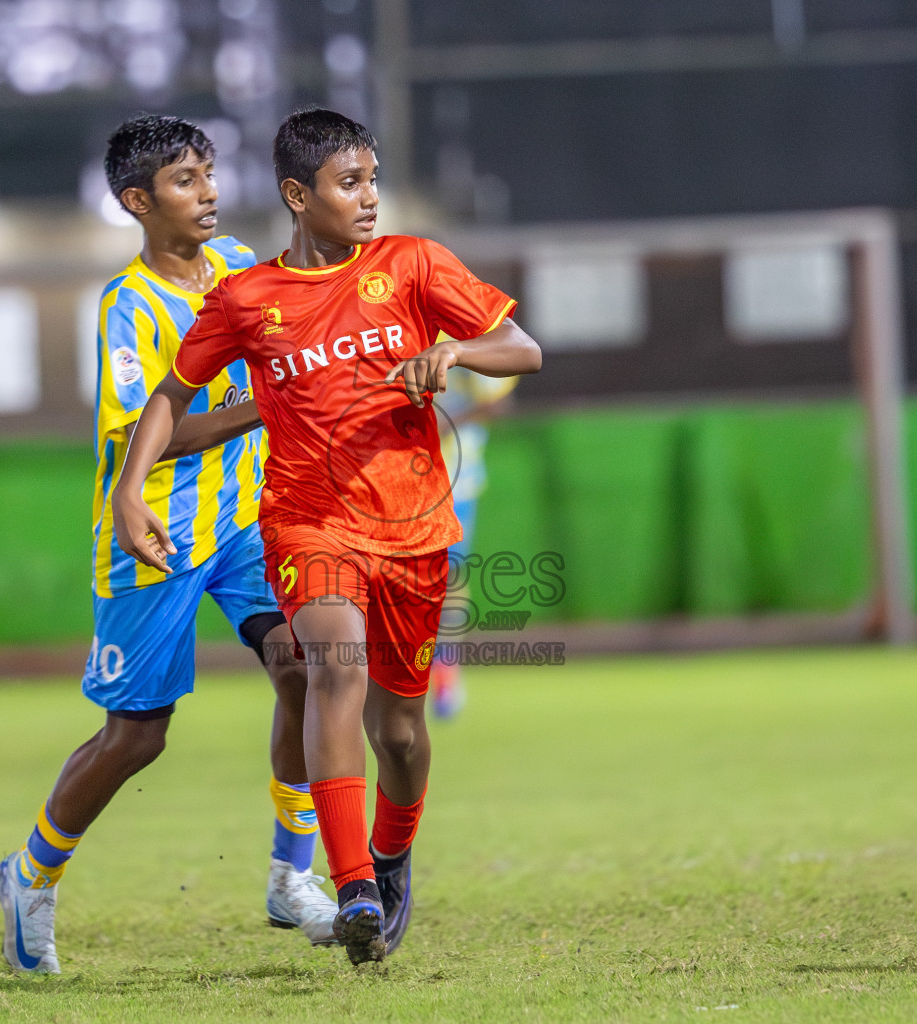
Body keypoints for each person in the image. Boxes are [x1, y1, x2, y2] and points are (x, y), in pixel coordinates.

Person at [111, 108, 542, 964]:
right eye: (352, 184)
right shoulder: (247, 298)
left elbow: (521, 347)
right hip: (309, 527)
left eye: (374, 180)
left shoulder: (413, 264)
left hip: (415, 532)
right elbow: (168, 398)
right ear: (298, 196)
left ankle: (390, 855)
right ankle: (350, 892)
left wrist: (452, 353)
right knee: (331, 674)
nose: (371, 198)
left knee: (403, 736)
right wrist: (132, 489)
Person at [0, 115, 337, 975]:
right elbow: (160, 430)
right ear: (137, 202)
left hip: (250, 521)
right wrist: (272, 407)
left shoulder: (242, 267)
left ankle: (292, 878)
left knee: (305, 664)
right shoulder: (126, 306)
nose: (209, 191)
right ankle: (30, 874)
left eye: (210, 173)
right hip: (155, 532)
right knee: (138, 735)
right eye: (185, 180)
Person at [429, 365, 519, 718]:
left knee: (448, 580)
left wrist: (449, 419)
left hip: (454, 480)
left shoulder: (467, 330)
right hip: (389, 476)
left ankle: (445, 672)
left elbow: (499, 401)